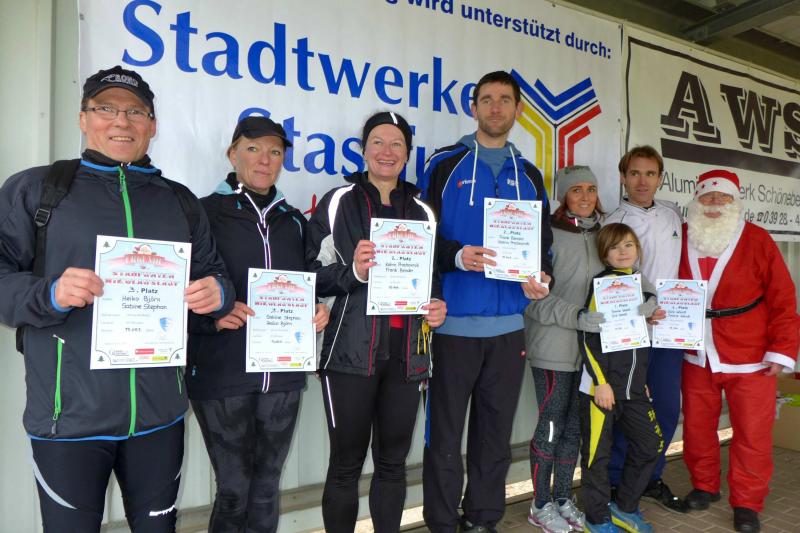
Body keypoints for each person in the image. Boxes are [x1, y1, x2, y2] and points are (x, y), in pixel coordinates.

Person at [0, 66, 234, 531]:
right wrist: (49, 292)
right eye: (106, 108)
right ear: (83, 118)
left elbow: (215, 276)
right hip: (68, 419)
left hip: (159, 417)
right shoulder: (38, 189)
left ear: (153, 125)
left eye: (135, 112)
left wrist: (219, 295)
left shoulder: (179, 201)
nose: (121, 122)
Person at [418, 70, 553, 533]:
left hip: (508, 330)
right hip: (451, 327)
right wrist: (456, 256)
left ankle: (484, 519)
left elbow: (544, 246)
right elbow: (421, 237)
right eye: (487, 99)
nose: (496, 107)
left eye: (505, 100)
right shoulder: (444, 165)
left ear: (518, 110)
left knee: (494, 436)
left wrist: (543, 277)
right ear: (473, 107)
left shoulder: (529, 175)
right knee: (444, 435)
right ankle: (441, 522)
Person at [186, 116, 330, 532]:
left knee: (267, 489)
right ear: (232, 154)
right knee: (234, 490)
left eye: (274, 151)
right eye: (253, 149)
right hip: (222, 373)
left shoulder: (294, 220)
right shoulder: (203, 212)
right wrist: (213, 318)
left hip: (281, 376)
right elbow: (176, 289)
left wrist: (317, 309)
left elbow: (309, 279)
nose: (265, 159)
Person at [306, 111, 447, 532]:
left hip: (407, 357)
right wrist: (354, 272)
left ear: (407, 153)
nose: (387, 152)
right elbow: (309, 273)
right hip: (349, 354)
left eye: (397, 144)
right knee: (346, 464)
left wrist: (436, 304)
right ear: (364, 150)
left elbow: (432, 276)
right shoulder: (338, 202)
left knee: (393, 464)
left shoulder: (423, 210)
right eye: (378, 142)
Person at [678, 169, 799, 533]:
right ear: (696, 200)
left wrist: (781, 350)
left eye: (723, 196)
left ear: (735, 201)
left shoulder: (757, 239)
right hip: (696, 350)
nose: (715, 202)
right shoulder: (682, 236)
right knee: (697, 426)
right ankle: (705, 484)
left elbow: (783, 298)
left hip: (751, 354)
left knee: (752, 433)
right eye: (708, 195)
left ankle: (747, 502)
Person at [603, 145, 687, 512]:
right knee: (628, 411)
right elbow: (606, 279)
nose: (642, 181)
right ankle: (616, 481)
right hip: (630, 332)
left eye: (650, 174)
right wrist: (639, 309)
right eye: (635, 173)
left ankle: (651, 476)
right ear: (623, 177)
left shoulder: (673, 215)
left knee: (666, 408)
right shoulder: (612, 220)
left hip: (669, 330)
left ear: (660, 178)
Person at [524, 165, 604, 533]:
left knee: (574, 429)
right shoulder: (546, 234)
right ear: (563, 196)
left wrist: (645, 303)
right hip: (552, 347)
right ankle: (539, 504)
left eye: (591, 189)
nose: (585, 197)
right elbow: (532, 299)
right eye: (576, 190)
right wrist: (577, 316)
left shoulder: (604, 234)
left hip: (588, 352)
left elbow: (625, 277)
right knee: (552, 426)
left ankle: (561, 498)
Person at [578, 223, 664, 533]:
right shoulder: (600, 285)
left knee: (650, 444)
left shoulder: (638, 283)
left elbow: (639, 337)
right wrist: (600, 383)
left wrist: (651, 302)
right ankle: (596, 518)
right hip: (600, 389)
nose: (623, 251)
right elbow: (587, 338)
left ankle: (624, 507)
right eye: (614, 247)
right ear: (604, 254)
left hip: (634, 388)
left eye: (628, 245)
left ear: (637, 249)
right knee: (597, 457)